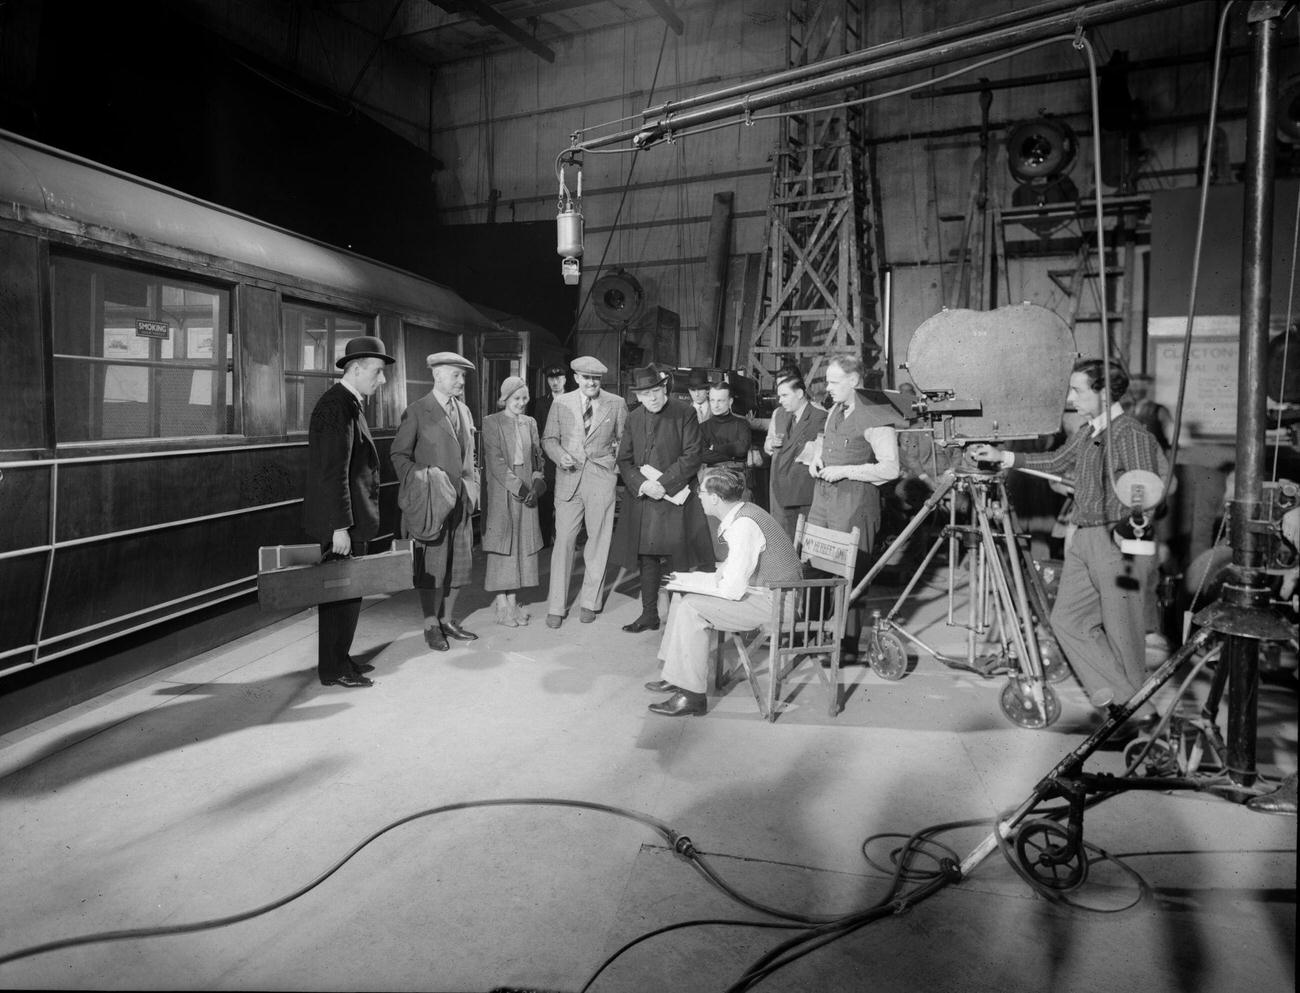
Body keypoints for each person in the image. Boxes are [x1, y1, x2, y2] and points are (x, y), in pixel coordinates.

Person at [968, 358, 1170, 729]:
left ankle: (1137, 719)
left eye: (1077, 390)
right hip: (1085, 538)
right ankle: (1127, 703)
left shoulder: (1131, 434)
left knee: (1123, 635)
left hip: (1117, 539)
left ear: (1104, 393)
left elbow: (1146, 486)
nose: (1071, 397)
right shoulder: (1088, 432)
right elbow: (1058, 460)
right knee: (1067, 620)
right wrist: (1004, 457)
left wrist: (1133, 533)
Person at [645, 469, 805, 716]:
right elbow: (737, 566)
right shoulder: (743, 513)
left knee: (691, 607)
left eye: (702, 492)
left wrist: (703, 586)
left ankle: (692, 696)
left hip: (778, 602)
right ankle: (676, 675)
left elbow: (732, 589)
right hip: (765, 591)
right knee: (681, 597)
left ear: (715, 498)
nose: (699, 496)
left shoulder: (743, 524)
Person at [302, 335, 394, 688]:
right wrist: (339, 527)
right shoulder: (335, 406)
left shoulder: (348, 403)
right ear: (356, 369)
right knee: (339, 596)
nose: (381, 380)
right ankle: (333, 668)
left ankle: (341, 658)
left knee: (349, 594)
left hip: (352, 520)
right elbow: (331, 471)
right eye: (378, 372)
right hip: (343, 524)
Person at [807, 354, 900, 659]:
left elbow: (890, 469)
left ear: (854, 381)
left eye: (834, 382)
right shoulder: (835, 407)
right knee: (817, 565)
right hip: (823, 499)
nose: (828, 387)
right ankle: (814, 633)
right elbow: (824, 439)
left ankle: (845, 647)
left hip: (855, 503)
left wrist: (847, 471)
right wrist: (817, 458)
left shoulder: (875, 414)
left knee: (851, 573)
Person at [611, 364, 716, 633]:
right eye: (646, 395)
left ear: (665, 388)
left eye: (656, 391)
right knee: (647, 559)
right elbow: (624, 460)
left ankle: (679, 621)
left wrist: (662, 483)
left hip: (676, 498)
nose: (653, 399)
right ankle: (649, 615)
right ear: (639, 397)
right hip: (645, 498)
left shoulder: (685, 413)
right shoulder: (633, 418)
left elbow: (693, 455)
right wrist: (644, 484)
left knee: (677, 560)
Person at [391, 351, 481, 652]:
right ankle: (431, 626)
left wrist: (473, 487)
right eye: (455, 375)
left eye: (463, 375)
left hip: (462, 499)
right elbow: (399, 456)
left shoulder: (465, 411)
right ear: (437, 376)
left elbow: (470, 456)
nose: (461, 381)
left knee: (459, 565)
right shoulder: (417, 411)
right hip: (432, 502)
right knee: (432, 565)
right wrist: (423, 480)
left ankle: (448, 620)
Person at [541, 356, 628, 628]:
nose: (591, 383)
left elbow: (625, 442)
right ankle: (556, 606)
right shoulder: (561, 402)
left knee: (598, 542)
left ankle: (590, 602)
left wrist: (612, 468)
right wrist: (559, 456)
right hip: (568, 480)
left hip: (600, 479)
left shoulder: (616, 403)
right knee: (563, 543)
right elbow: (548, 439)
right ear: (576, 378)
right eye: (586, 377)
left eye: (596, 378)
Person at [481, 376, 546, 626]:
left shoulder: (530, 422)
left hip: (528, 484)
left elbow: (537, 456)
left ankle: (514, 600)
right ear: (505, 399)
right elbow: (496, 462)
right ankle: (502, 603)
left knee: (521, 542)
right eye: (516, 398)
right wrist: (521, 488)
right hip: (504, 488)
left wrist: (538, 483)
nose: (521, 403)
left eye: (524, 398)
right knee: (503, 542)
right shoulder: (491, 422)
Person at [765, 374, 828, 539]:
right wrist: (773, 444)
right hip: (780, 491)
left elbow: (822, 452)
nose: (780, 400)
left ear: (800, 394)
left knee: (802, 543)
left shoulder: (819, 417)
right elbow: (773, 445)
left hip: (803, 494)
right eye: (779, 396)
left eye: (785, 395)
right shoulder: (780, 415)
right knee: (782, 541)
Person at [531, 365, 568, 545]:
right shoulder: (541, 403)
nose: (554, 382)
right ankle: (545, 539)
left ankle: (564, 538)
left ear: (565, 379)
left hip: (568, 458)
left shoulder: (573, 400)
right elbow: (537, 432)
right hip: (547, 459)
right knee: (546, 499)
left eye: (558, 378)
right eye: (551, 379)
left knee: (566, 501)